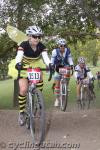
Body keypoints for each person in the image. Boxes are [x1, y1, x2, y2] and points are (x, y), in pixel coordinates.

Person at [15, 25, 52, 126]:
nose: (37, 39)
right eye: (35, 36)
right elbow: (19, 56)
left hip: (36, 65)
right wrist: (18, 63)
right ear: (29, 36)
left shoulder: (41, 46)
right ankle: (21, 112)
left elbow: (46, 57)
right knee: (23, 89)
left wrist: (49, 64)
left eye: (39, 37)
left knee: (39, 78)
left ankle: (39, 100)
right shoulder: (24, 44)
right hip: (24, 67)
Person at [50, 38, 74, 107]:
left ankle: (66, 85)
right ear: (58, 46)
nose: (62, 47)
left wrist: (71, 64)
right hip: (57, 67)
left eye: (64, 45)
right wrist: (51, 65)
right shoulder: (54, 51)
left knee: (68, 70)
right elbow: (52, 60)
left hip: (65, 66)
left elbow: (69, 59)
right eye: (61, 45)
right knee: (57, 85)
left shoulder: (68, 51)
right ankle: (57, 99)